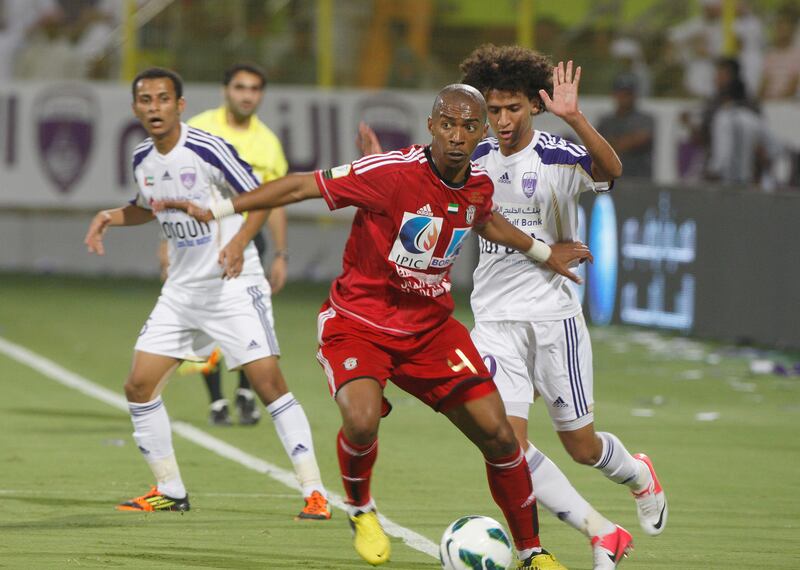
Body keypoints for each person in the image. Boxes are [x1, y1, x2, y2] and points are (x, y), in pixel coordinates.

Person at [156, 84, 593, 569]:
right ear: (430, 125)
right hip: (359, 323)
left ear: (481, 133)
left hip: (429, 330)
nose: (457, 135)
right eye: (447, 123)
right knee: (361, 421)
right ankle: (361, 509)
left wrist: (541, 251)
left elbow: (484, 219)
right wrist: (216, 209)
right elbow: (301, 184)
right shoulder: (391, 172)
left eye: (469, 126)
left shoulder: (478, 185)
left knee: (500, 436)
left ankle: (532, 552)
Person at [83, 67, 330, 521]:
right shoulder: (142, 157)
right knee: (139, 386)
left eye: (162, 99)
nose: (153, 107)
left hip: (233, 285)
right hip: (182, 289)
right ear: (136, 107)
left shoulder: (207, 147)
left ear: (180, 106)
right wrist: (110, 217)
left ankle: (314, 491)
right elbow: (145, 209)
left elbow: (260, 195)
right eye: (145, 100)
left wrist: (238, 243)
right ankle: (170, 489)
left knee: (268, 384)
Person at [458, 45, 667, 568]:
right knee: (504, 444)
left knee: (581, 446)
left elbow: (610, 169)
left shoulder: (556, 153)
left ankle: (638, 473)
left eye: (512, 108)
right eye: (494, 109)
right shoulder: (476, 157)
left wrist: (576, 117)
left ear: (534, 105)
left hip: (554, 320)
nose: (502, 120)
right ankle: (601, 533)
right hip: (494, 321)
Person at [183, 62, 290, 427]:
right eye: (240, 87)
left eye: (255, 89)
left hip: (249, 241)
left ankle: (246, 391)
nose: (247, 95)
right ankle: (215, 400)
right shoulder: (199, 128)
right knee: (204, 316)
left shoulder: (267, 142)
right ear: (225, 90)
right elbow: (181, 191)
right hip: (201, 241)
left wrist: (280, 253)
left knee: (250, 317)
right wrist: (168, 244)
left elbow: (274, 202)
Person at [597, 72, 655, 180]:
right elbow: (596, 148)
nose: (624, 97)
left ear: (635, 95)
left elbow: (641, 139)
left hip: (639, 182)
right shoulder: (606, 122)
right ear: (614, 94)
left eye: (628, 93)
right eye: (621, 93)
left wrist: (612, 145)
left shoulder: (645, 119)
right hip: (612, 182)